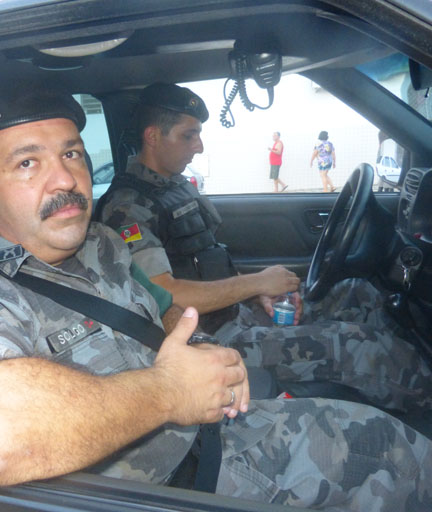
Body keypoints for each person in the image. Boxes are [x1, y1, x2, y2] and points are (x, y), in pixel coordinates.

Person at [0, 89, 432, 510]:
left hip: (214, 426)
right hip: (184, 484)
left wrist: (201, 347)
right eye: (26, 164)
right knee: (397, 455)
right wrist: (167, 389)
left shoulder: (98, 243)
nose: (65, 179)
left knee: (383, 415)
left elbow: (159, 310)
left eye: (71, 155)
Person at [95, 82, 432, 415]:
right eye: (188, 135)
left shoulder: (175, 187)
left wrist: (259, 295)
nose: (199, 146)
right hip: (212, 341)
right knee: (361, 345)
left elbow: (211, 259)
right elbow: (164, 293)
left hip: (237, 314)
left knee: (357, 292)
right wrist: (256, 283)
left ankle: (401, 386)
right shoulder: (129, 207)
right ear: (153, 137)